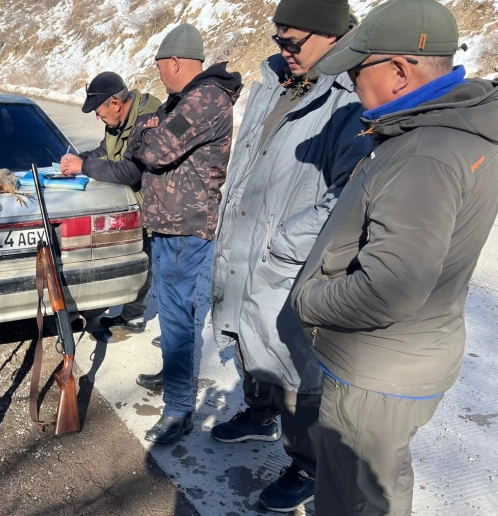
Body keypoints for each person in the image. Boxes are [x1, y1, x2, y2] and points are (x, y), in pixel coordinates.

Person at [290, 0, 495, 513]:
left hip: (374, 371)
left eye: (359, 70)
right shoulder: (457, 129)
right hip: (404, 361)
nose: (353, 85)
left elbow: (389, 288)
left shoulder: (424, 152)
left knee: (352, 499)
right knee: (376, 486)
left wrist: (307, 301)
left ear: (400, 72)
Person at [209, 0, 372, 510]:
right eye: (278, 38)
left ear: (331, 36)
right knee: (244, 336)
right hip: (245, 241)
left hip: (292, 262)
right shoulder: (276, 79)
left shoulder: (350, 97)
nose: (282, 49)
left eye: (293, 41)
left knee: (299, 368)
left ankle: (309, 465)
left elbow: (349, 195)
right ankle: (259, 416)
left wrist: (285, 243)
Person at [128, 23, 242, 444]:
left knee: (177, 315)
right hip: (170, 224)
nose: (158, 75)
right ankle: (175, 376)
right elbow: (145, 143)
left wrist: (145, 129)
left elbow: (154, 152)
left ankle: (178, 410)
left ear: (175, 62)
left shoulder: (205, 99)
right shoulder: (187, 99)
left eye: (159, 67)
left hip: (186, 227)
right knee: (178, 315)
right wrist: (148, 128)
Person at [60, 71, 162, 342]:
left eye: (99, 112)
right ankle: (130, 311)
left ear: (116, 104)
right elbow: (105, 151)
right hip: (135, 204)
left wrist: (84, 166)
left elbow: (131, 171)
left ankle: (135, 318)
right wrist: (79, 160)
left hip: (159, 205)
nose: (98, 117)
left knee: (146, 261)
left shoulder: (148, 120)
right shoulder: (117, 122)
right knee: (137, 257)